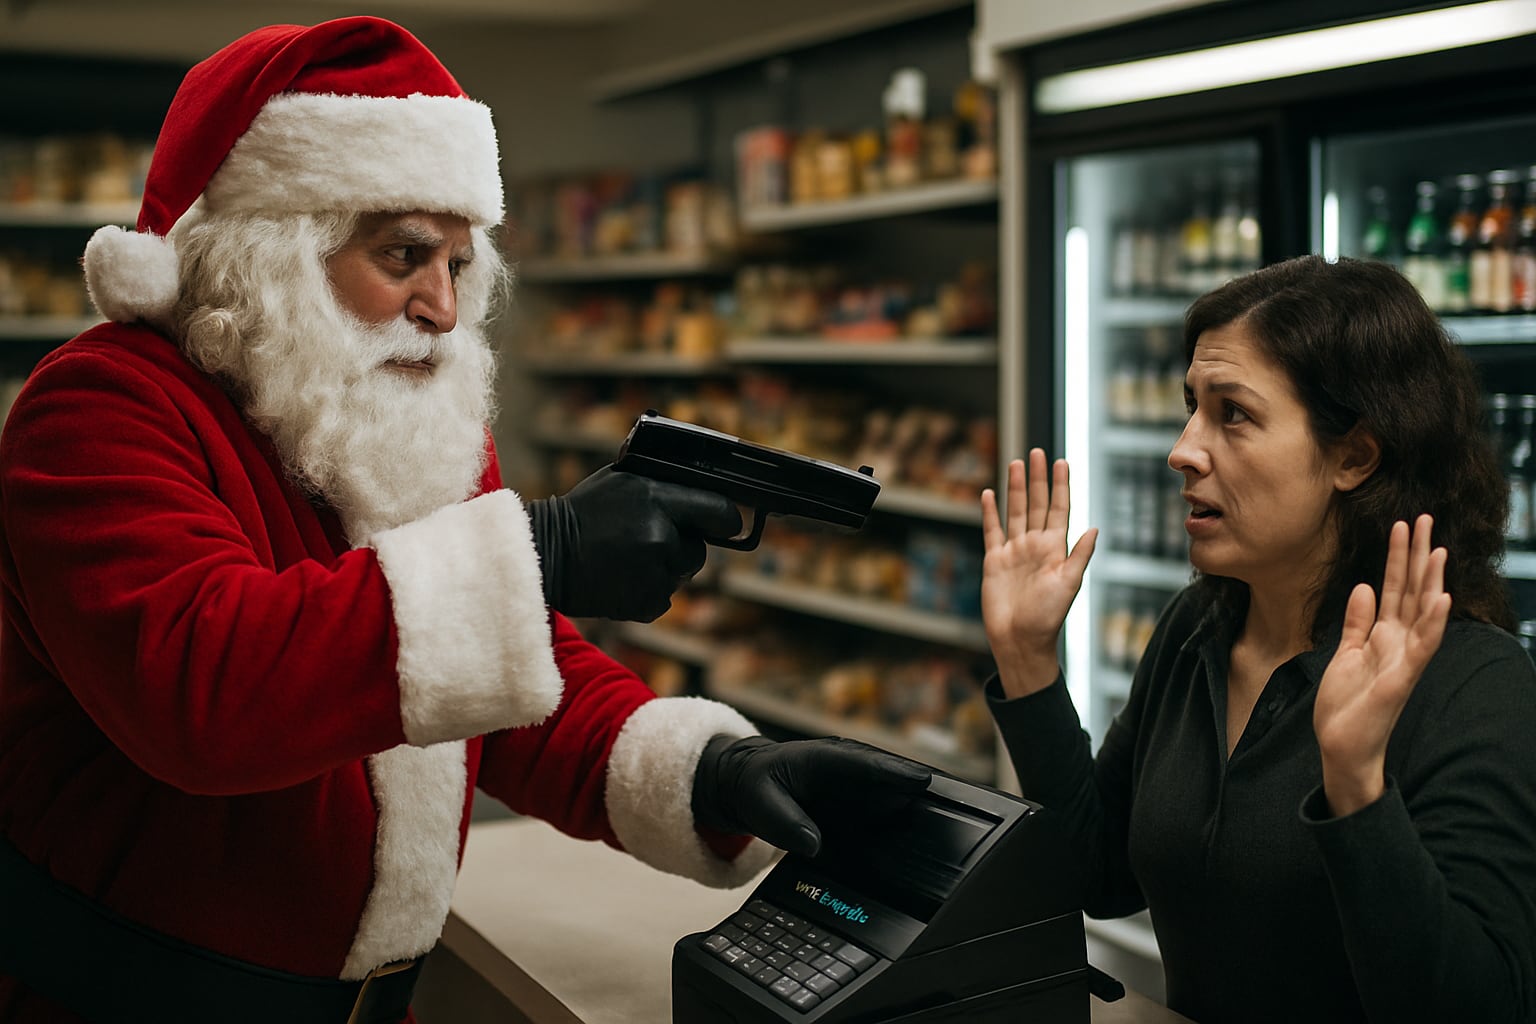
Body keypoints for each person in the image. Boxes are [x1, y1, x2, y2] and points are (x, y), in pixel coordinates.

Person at [0, 18, 931, 1023]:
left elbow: (496, 682)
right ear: (269, 253)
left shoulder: (392, 414)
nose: (443, 307)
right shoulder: (99, 407)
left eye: (458, 263)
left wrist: (707, 769)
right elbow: (200, 684)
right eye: (405, 255)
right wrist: (543, 553)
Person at [979, 254, 1536, 1024]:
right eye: (1190, 407)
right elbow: (1099, 873)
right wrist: (1027, 661)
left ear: (1354, 456)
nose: (1183, 448)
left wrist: (1355, 782)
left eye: (1231, 413)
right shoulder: (1195, 631)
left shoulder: (1476, 685)